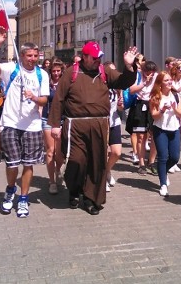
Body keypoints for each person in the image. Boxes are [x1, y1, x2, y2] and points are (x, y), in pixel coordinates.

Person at [48, 42, 138, 215]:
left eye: (100, 58)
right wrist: (55, 125)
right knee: (76, 161)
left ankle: (91, 199)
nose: (98, 60)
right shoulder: (71, 73)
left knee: (97, 163)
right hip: (75, 126)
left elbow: (124, 81)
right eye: (95, 58)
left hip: (99, 124)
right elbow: (59, 98)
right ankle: (74, 189)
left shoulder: (104, 72)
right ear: (85, 56)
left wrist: (128, 66)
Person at [0, 31, 50, 218]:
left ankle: (23, 198)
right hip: (11, 123)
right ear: (22, 55)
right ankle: (10, 189)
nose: (33, 59)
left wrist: (34, 97)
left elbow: (44, 100)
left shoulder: (41, 74)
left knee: (28, 165)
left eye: (36, 56)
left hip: (32, 126)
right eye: (29, 56)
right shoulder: (11, 69)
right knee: (12, 164)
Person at [149, 71, 181, 197]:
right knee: (163, 156)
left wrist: (174, 108)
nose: (169, 82)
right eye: (166, 80)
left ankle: (162, 171)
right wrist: (162, 110)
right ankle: (163, 183)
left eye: (170, 80)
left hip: (174, 129)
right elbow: (154, 116)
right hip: (160, 129)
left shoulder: (176, 95)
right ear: (160, 83)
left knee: (175, 157)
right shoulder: (156, 96)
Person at [125, 60, 158, 175]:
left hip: (153, 105)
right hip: (140, 106)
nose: (150, 75)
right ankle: (141, 164)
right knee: (140, 137)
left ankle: (152, 162)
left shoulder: (157, 77)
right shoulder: (137, 76)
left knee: (154, 136)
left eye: (152, 72)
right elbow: (132, 90)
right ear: (143, 71)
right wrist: (144, 83)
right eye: (147, 72)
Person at [43, 58, 66, 194]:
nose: (56, 73)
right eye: (54, 71)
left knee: (60, 152)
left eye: (58, 71)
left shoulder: (66, 83)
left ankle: (58, 170)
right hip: (47, 119)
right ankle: (52, 182)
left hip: (63, 119)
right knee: (50, 151)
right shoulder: (47, 84)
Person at [104, 61, 124, 193]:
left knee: (116, 152)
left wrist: (120, 104)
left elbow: (121, 108)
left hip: (114, 120)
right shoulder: (100, 85)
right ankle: (101, 179)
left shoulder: (118, 87)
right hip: (102, 121)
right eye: (110, 71)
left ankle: (107, 170)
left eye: (114, 70)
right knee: (104, 152)